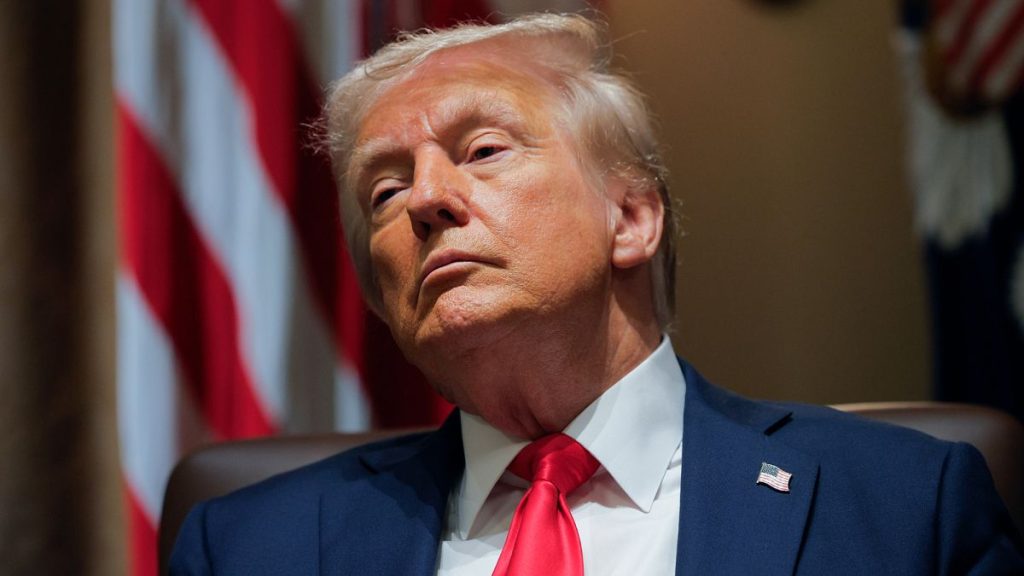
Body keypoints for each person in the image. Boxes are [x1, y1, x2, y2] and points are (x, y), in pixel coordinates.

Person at [170, 13, 1024, 575]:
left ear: (631, 217)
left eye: (483, 151)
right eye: (384, 193)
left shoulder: (905, 509)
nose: (424, 199)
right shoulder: (248, 548)